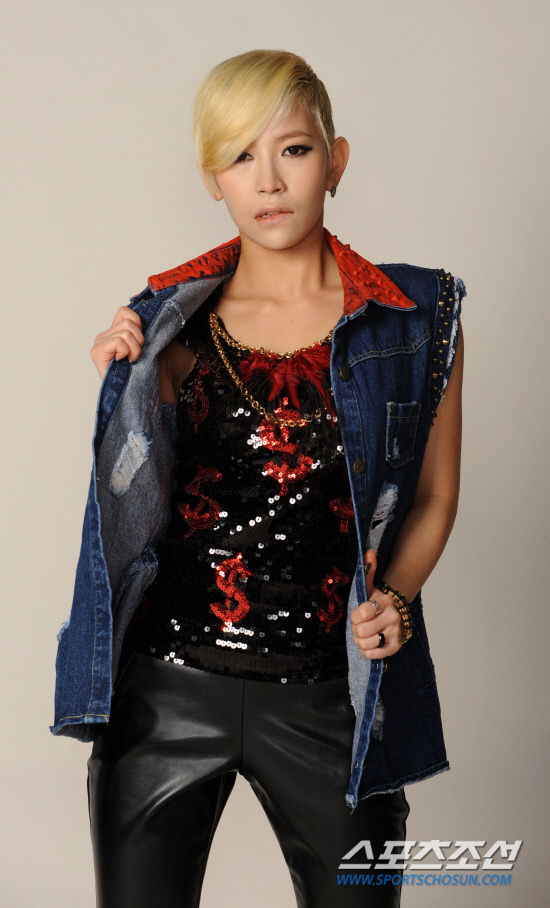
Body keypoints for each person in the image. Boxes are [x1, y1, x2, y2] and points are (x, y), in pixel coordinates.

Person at [52, 49, 466, 908]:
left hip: (330, 698)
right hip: (165, 692)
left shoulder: (415, 322)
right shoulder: (167, 327)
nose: (268, 180)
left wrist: (396, 596)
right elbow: (132, 497)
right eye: (240, 156)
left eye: (294, 150)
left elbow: (433, 496)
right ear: (214, 179)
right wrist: (124, 385)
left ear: (335, 161)